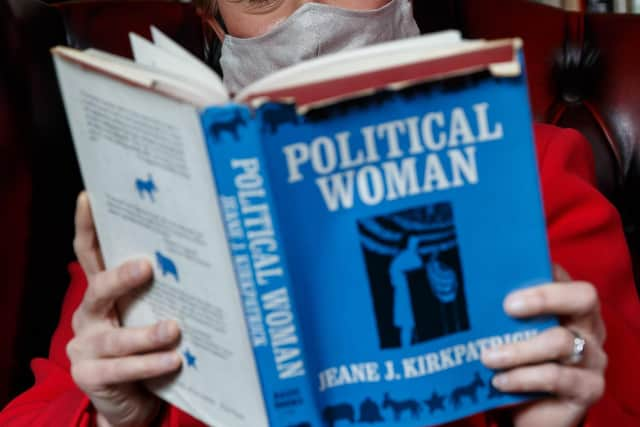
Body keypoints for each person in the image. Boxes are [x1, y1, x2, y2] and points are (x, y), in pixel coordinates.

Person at [2, 1, 640, 426]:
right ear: (214, 19)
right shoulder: (160, 190)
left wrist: (574, 408)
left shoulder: (536, 166)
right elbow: (43, 406)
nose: (311, 12)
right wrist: (107, 412)